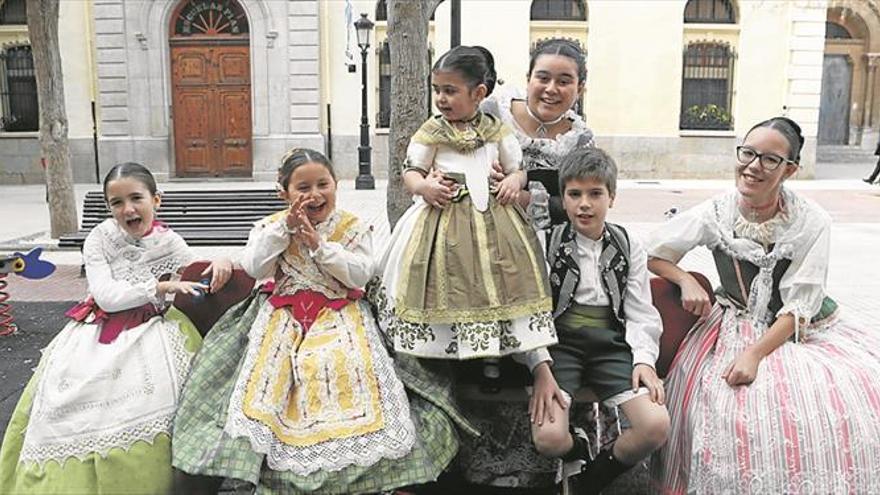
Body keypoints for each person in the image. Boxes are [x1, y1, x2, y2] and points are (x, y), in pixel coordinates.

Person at [172, 148, 466, 494]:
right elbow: (254, 267)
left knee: (342, 366)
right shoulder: (272, 226)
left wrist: (319, 246)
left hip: (339, 313)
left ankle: (355, 468)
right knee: (270, 378)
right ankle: (265, 465)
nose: (315, 195)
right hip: (282, 315)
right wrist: (284, 230)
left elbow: (359, 276)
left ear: (336, 184)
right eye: (303, 188)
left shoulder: (350, 226)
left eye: (322, 184)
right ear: (285, 193)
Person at [649, 117, 880, 493]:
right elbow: (654, 253)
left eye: (770, 160)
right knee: (723, 406)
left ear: (790, 169)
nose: (753, 166)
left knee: (832, 404)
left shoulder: (811, 221)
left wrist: (755, 354)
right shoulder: (718, 212)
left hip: (799, 329)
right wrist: (686, 278)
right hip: (731, 322)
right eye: (748, 153)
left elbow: (798, 307)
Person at [0, 162, 232, 494]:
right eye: (117, 202)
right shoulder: (100, 238)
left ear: (157, 200)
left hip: (154, 329)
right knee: (70, 399)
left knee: (167, 395)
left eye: (136, 198)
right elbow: (107, 297)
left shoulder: (168, 240)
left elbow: (193, 268)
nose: (128, 209)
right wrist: (161, 288)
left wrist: (221, 261)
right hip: (99, 330)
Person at [373, 45, 557, 365]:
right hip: (441, 218)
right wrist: (424, 186)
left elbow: (515, 167)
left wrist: (516, 180)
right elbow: (412, 170)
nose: (441, 99)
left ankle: (491, 355)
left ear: (478, 92)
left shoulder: (495, 130)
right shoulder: (432, 130)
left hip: (495, 217)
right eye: (437, 91)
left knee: (496, 279)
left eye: (450, 91)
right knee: (443, 279)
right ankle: (440, 353)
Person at [529, 147, 669, 495]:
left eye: (595, 194)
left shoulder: (628, 244)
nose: (584, 204)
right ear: (563, 198)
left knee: (655, 426)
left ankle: (592, 477)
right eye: (574, 194)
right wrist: (539, 366)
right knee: (548, 438)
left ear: (612, 197)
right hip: (560, 345)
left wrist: (644, 361)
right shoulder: (546, 242)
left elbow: (640, 311)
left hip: (612, 344)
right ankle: (576, 446)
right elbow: (531, 313)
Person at [482, 37, 594, 230]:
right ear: (528, 79)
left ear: (580, 89)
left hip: (547, 244)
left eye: (564, 81)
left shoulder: (580, 141)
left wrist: (527, 200)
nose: (551, 89)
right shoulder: (492, 114)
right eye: (543, 78)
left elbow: (583, 202)